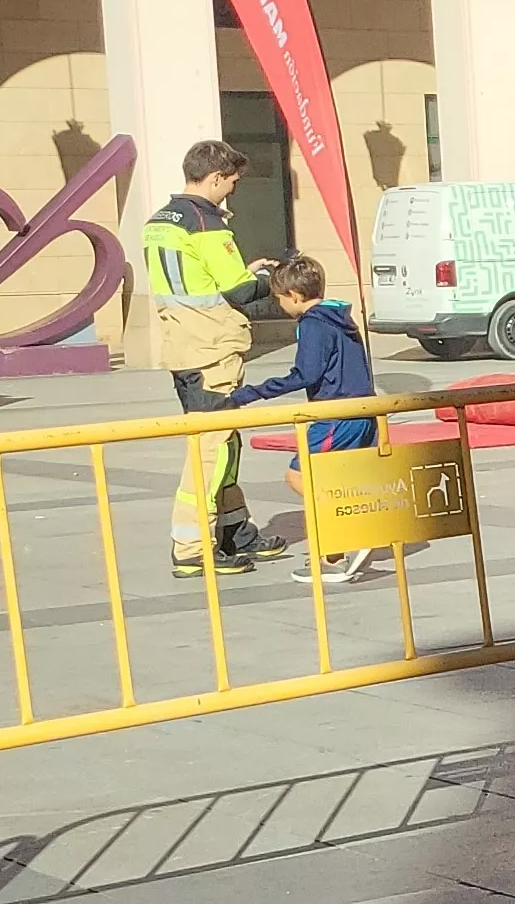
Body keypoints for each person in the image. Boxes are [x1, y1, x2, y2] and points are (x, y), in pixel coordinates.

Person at [144, 140, 292, 578]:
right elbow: (242, 291)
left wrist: (242, 269)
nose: (231, 191)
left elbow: (196, 278)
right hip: (212, 349)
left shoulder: (160, 222)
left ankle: (234, 531)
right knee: (211, 449)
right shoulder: (206, 223)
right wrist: (267, 276)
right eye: (230, 182)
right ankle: (192, 546)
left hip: (183, 344)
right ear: (213, 178)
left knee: (223, 443)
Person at [224, 256, 380, 584]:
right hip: (361, 411)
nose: (279, 305)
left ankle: (349, 533)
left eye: (279, 299)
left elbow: (305, 374)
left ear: (294, 295)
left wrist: (251, 393)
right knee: (335, 480)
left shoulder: (313, 323)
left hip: (335, 416)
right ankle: (334, 553)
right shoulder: (340, 318)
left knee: (300, 477)